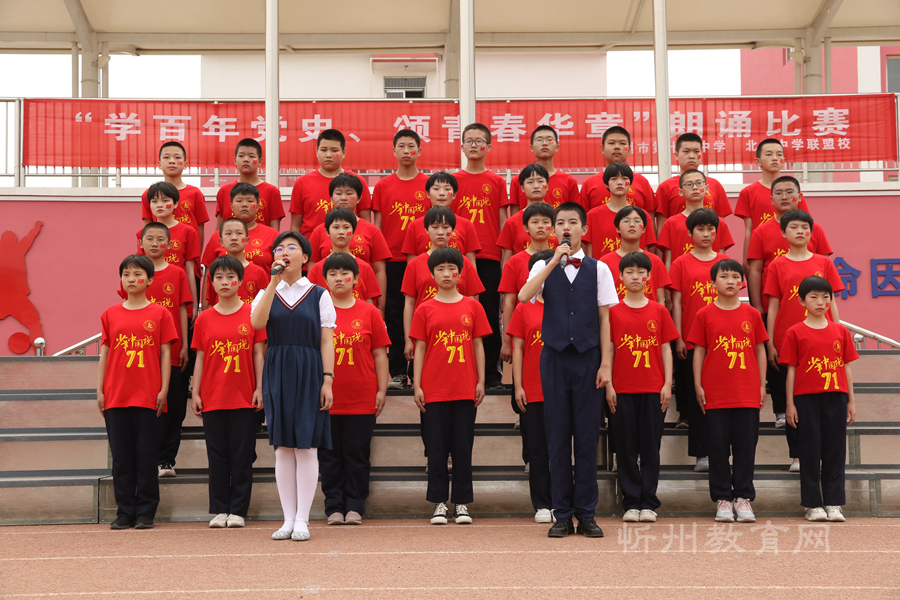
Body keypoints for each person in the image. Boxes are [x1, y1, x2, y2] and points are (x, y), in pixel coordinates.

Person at [518, 201, 618, 538]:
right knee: (558, 439)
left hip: (589, 359)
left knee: (587, 439)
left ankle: (586, 514)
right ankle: (561, 514)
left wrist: (606, 363)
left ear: (583, 229)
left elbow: (605, 318)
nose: (566, 227)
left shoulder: (599, 269)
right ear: (553, 230)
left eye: (572, 222)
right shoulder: (543, 265)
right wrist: (551, 262)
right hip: (555, 358)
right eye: (560, 222)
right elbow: (524, 296)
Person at [250, 232, 336, 542]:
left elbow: (327, 340)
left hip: (310, 369)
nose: (283, 252)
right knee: (283, 447)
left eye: (291, 247)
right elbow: (257, 324)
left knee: (307, 446)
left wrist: (328, 379)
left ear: (305, 257)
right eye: (278, 248)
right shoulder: (267, 291)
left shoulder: (319, 294)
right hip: (277, 368)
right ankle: (287, 518)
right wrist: (273, 283)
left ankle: (303, 519)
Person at [410, 247, 492, 525]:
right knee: (436, 449)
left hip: (465, 388)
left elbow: (478, 345)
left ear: (460, 273)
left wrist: (481, 380)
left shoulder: (473, 306)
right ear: (432, 275)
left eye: (452, 269)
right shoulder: (424, 308)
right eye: (440, 269)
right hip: (433, 390)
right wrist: (417, 385)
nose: (447, 274)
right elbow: (420, 349)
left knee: (462, 448)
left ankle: (462, 503)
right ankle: (439, 503)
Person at [98, 255, 178, 530]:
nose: (131, 279)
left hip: (148, 395)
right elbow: (105, 353)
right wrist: (100, 390)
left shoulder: (161, 314)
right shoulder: (110, 314)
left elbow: (166, 354)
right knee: (121, 458)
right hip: (116, 395)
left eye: (137, 274)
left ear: (150, 279)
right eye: (126, 274)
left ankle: (145, 511)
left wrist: (164, 388)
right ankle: (125, 511)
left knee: (146, 456)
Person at [764, 209, 844, 472]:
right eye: (794, 227)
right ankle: (798, 454)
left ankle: (822, 454)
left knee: (820, 399)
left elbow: (833, 303)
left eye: (805, 228)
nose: (800, 231)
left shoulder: (824, 263)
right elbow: (773, 305)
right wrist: (771, 342)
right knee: (795, 399)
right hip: (788, 339)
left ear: (812, 232)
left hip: (822, 341)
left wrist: (838, 333)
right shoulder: (777, 265)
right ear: (783, 232)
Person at [688, 259, 768, 523]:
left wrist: (761, 384)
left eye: (735, 276)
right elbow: (699, 351)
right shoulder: (704, 314)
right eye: (724, 276)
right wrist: (698, 384)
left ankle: (743, 499)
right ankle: (722, 499)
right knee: (718, 450)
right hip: (716, 393)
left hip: (747, 392)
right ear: (713, 283)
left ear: (742, 282)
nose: (731, 281)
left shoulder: (752, 314)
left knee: (746, 449)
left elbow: (760, 350)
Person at [190, 255, 266, 528]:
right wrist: (195, 392)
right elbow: (200, 357)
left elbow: (258, 354)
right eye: (219, 277)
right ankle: (220, 509)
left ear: (240, 281)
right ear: (211, 283)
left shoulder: (252, 314)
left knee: (242, 457)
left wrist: (260, 388)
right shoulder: (204, 319)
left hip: (244, 397)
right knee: (217, 456)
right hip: (213, 397)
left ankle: (238, 511)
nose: (225, 282)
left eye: (230, 277)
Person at [318, 252, 390, 526]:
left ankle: (355, 507)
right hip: (327, 399)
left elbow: (380, 354)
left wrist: (381, 390)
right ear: (325, 280)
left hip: (361, 396)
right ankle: (334, 507)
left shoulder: (370, 312)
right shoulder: (318, 312)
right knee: (329, 457)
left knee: (357, 456)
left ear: (356, 279)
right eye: (333, 274)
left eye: (344, 273)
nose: (339, 278)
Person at [607, 252, 678, 523]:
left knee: (650, 447)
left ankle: (648, 502)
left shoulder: (659, 310)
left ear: (648, 277)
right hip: (622, 390)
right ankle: (630, 502)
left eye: (640, 272)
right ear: (620, 277)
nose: (635, 277)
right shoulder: (613, 312)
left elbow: (666, 349)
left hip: (653, 389)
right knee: (625, 448)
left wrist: (667, 384)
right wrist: (609, 386)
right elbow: (609, 350)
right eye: (630, 272)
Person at [781, 276, 858, 522]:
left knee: (835, 451)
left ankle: (834, 503)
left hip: (836, 397)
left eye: (826, 297)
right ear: (802, 301)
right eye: (813, 297)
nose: (820, 302)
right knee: (809, 450)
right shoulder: (794, 332)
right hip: (806, 399)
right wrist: (790, 404)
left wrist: (851, 401)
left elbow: (846, 367)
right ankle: (813, 504)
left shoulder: (840, 331)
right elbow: (791, 370)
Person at [669, 208, 732, 470]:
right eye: (700, 229)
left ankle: (722, 453)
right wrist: (679, 337)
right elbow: (677, 303)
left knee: (721, 399)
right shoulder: (680, 263)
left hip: (722, 343)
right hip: (692, 342)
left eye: (710, 229)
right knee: (698, 400)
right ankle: (701, 454)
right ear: (690, 233)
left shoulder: (725, 263)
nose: (706, 234)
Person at [452, 123, 515, 389]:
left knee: (488, 314)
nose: (474, 145)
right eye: (469, 141)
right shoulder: (453, 180)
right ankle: (461, 371)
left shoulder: (497, 181)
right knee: (457, 313)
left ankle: (490, 373)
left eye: (480, 141)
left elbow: (502, 221)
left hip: (489, 255)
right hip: (456, 257)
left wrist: (503, 259)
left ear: (488, 147)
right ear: (462, 146)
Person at [129, 223, 191, 478]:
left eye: (160, 239)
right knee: (146, 408)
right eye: (150, 239)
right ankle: (145, 458)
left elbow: (183, 309)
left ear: (170, 244)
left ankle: (166, 460)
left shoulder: (177, 273)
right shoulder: (134, 273)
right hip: (143, 355)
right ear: (141, 243)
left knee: (174, 407)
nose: (155, 243)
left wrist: (184, 344)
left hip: (173, 352)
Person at [373, 130, 432, 388]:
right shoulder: (383, 186)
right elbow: (377, 225)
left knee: (423, 312)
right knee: (395, 314)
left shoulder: (429, 184)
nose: (406, 151)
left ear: (419, 151)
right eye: (401, 146)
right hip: (392, 259)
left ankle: (422, 370)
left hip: (424, 259)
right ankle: (398, 370)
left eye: (411, 146)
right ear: (394, 151)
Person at [403, 207, 485, 366]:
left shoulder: (464, 263)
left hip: (458, 332)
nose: (440, 232)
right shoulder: (415, 264)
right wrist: (408, 339)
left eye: (446, 227)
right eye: (435, 227)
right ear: (426, 230)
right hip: (426, 332)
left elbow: (473, 299)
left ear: (453, 230)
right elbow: (409, 303)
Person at [508, 249, 555, 523]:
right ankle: (542, 504)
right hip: (533, 389)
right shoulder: (524, 307)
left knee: (560, 449)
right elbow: (518, 348)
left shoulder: (567, 305)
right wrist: (518, 386)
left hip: (561, 390)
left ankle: (561, 501)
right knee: (537, 450)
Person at [747, 175, 831, 318]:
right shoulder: (760, 232)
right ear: (771, 199)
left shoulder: (815, 229)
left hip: (813, 305)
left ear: (800, 197)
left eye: (790, 192)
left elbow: (825, 269)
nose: (784, 197)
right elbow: (755, 271)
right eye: (779, 193)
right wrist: (757, 306)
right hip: (774, 306)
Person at [307, 173, 391, 300]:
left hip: (362, 300)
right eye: (338, 193)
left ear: (358, 198)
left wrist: (381, 307)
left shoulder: (372, 230)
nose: (343, 198)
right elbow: (313, 270)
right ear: (331, 198)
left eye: (349, 193)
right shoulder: (319, 231)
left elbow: (379, 271)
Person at [736, 138, 813, 268]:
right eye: (769, 154)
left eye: (779, 154)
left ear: (784, 161)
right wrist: (746, 259)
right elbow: (748, 230)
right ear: (758, 161)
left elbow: (805, 224)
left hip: (792, 252)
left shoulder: (794, 194)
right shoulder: (748, 192)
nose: (775, 158)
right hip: (763, 252)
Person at [499, 202, 555, 363]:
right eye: (535, 222)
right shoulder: (514, 262)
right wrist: (506, 341)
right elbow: (509, 302)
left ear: (552, 228)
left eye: (545, 222)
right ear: (525, 228)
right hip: (525, 330)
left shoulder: (561, 259)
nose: (540, 226)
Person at [289, 129, 372, 238]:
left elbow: (366, 222)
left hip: (348, 245)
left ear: (343, 152)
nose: (328, 155)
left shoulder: (357, 181)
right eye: (323, 150)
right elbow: (295, 226)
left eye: (334, 150)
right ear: (316, 151)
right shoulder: (302, 183)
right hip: (311, 246)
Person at [137, 181, 200, 315]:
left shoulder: (188, 232)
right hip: (151, 292)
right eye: (154, 201)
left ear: (175, 204)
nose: (159, 205)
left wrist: (194, 304)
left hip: (176, 290)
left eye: (165, 201)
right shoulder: (142, 234)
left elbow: (190, 270)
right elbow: (141, 269)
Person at [655, 133, 733, 235]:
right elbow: (662, 226)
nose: (692, 156)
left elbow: (720, 225)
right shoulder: (666, 187)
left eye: (696, 152)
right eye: (686, 151)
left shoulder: (715, 185)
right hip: (679, 242)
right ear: (676, 155)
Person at [307, 208, 382, 311]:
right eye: (336, 227)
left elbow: (370, 304)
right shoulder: (316, 269)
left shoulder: (365, 268)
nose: (341, 232)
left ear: (353, 231)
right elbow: (311, 304)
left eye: (346, 227)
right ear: (327, 232)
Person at [657, 170, 734, 269]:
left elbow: (722, 257)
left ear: (707, 188)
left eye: (699, 183)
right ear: (680, 191)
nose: (695, 187)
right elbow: (669, 261)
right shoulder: (671, 223)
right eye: (689, 184)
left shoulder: (719, 223)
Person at [402, 171, 481, 264]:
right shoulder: (414, 226)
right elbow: (411, 266)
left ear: (454, 194)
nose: (442, 193)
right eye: (436, 189)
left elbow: (470, 265)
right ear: (428, 194)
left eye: (447, 189)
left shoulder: (467, 225)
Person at [584, 162, 657, 259]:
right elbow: (588, 252)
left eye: (624, 178)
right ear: (606, 184)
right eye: (614, 179)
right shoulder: (593, 215)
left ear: (630, 183)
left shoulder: (642, 215)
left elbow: (649, 249)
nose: (619, 182)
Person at [141, 141, 210, 244]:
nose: (172, 161)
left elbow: (200, 229)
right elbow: (147, 228)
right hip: (159, 249)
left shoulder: (195, 193)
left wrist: (197, 253)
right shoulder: (149, 194)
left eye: (177, 157)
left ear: (185, 164)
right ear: (159, 164)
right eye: (166, 157)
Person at [202, 183, 281, 272]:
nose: (244, 205)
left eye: (250, 201)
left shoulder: (273, 235)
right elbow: (209, 274)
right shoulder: (218, 236)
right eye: (239, 201)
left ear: (257, 207)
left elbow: (281, 270)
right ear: (231, 206)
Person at [581, 127, 656, 218]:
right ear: (602, 148)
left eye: (622, 143)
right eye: (611, 143)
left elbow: (649, 220)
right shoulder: (589, 184)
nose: (617, 147)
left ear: (629, 149)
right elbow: (583, 220)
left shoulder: (642, 182)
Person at [599, 206, 669, 304]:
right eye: (626, 221)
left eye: (637, 221)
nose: (632, 225)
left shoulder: (655, 261)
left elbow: (660, 300)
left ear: (644, 229)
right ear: (617, 228)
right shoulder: (605, 262)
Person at [215, 138, 285, 229]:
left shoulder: (272, 191)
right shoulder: (224, 191)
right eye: (241, 156)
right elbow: (219, 229)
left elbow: (275, 231)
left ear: (260, 161)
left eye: (251, 156)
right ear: (235, 160)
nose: (246, 159)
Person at [498, 164, 559, 267]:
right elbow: (506, 261)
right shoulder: (512, 222)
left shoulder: (558, 219)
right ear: (522, 188)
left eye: (540, 181)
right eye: (530, 182)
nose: (536, 186)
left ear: (547, 186)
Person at [203, 218, 270, 309]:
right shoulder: (215, 272)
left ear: (246, 240)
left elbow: (266, 304)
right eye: (228, 233)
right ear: (221, 242)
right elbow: (210, 303)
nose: (234, 238)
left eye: (239, 233)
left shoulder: (258, 272)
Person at [510, 126, 580, 210]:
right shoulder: (518, 180)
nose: (544, 143)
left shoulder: (569, 181)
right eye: (539, 140)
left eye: (549, 140)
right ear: (531, 148)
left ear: (557, 147)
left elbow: (575, 213)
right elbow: (515, 216)